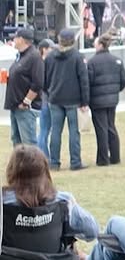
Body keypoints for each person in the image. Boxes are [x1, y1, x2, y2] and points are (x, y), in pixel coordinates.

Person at [44, 28, 89, 171]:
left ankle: (54, 162)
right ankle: (75, 162)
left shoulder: (50, 57)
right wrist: (85, 101)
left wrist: (49, 92)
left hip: (55, 98)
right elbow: (84, 80)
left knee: (55, 131)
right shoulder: (77, 57)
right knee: (74, 131)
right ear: (73, 41)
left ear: (59, 40)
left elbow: (45, 79)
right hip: (74, 100)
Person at [86, 33, 125, 166]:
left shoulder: (92, 62)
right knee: (111, 126)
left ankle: (103, 158)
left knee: (101, 129)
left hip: (97, 100)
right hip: (112, 99)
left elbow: (88, 82)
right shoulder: (117, 60)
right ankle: (115, 156)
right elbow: (123, 80)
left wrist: (87, 99)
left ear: (100, 45)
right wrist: (114, 91)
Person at [5, 26, 44, 146]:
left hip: (25, 108)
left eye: (15, 38)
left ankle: (33, 160)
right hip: (15, 106)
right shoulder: (20, 56)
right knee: (16, 141)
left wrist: (26, 102)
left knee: (28, 143)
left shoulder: (34, 56)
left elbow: (38, 82)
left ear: (21, 39)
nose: (13, 40)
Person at [35, 37, 53, 156]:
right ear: (44, 49)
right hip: (45, 101)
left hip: (43, 100)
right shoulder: (42, 63)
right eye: (51, 48)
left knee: (44, 130)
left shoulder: (39, 62)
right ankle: (44, 156)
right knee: (44, 130)